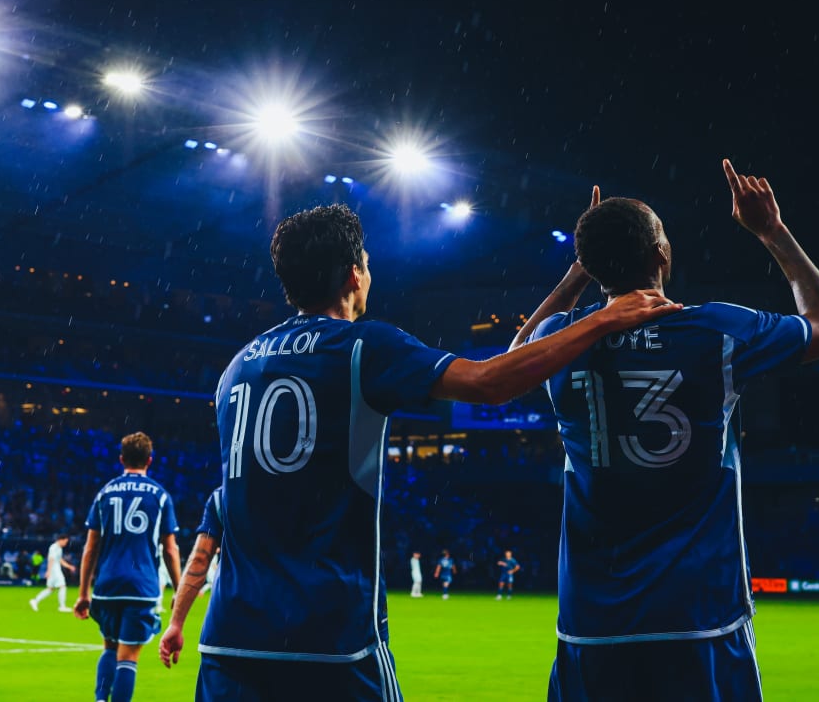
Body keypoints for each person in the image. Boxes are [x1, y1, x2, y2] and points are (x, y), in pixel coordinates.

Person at [156, 203, 679, 701]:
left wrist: (576, 277)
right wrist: (602, 319)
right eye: (366, 264)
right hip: (328, 637)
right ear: (354, 277)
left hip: (230, 641)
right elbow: (491, 383)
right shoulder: (363, 347)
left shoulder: (236, 368)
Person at [513, 161, 819, 702]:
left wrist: (581, 271)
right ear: (661, 256)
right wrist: (773, 231)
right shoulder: (716, 330)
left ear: (594, 265)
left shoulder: (562, 341)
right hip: (701, 617)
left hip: (593, 622)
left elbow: (515, 356)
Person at [74, 432, 182, 702]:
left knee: (109, 648)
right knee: (128, 657)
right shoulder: (159, 496)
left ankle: (100, 699)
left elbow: (90, 548)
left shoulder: (104, 494)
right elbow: (170, 549)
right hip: (141, 586)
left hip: (107, 586)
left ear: (121, 459)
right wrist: (180, 591)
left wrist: (83, 593)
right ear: (150, 460)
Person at [29, 534, 76, 612]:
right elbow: (51, 559)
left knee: (50, 589)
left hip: (55, 569)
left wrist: (69, 566)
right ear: (61, 540)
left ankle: (35, 601)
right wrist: (49, 571)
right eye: (65, 541)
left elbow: (60, 560)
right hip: (54, 570)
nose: (66, 544)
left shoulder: (59, 548)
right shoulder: (53, 548)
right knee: (62, 586)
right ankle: (62, 607)